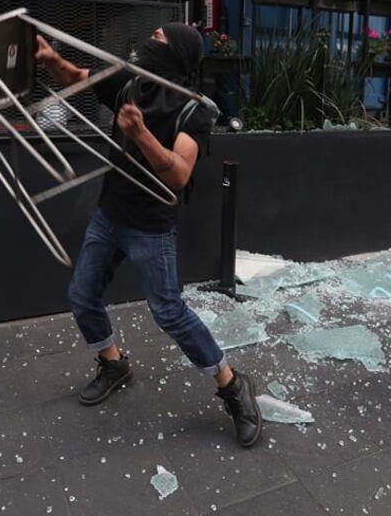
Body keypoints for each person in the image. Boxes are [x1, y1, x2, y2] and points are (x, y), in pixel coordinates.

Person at [34, 23, 263, 448]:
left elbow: (178, 173)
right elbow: (78, 78)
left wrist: (139, 134)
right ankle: (113, 363)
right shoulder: (129, 82)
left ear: (174, 53)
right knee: (82, 295)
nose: (148, 41)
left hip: (150, 226)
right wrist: (52, 61)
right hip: (110, 214)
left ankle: (233, 387)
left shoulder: (193, 112)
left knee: (169, 312)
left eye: (157, 38)